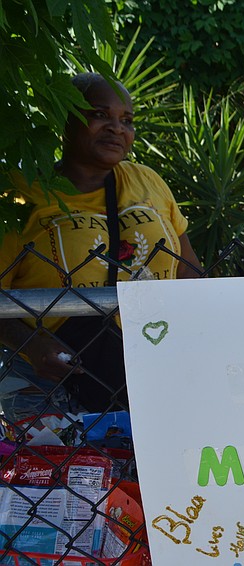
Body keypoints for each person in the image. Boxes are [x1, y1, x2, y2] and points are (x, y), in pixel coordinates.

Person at [0, 72, 201, 423]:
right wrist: (31, 346)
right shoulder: (22, 194)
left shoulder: (147, 180)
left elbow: (187, 268)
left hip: (152, 363)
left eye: (127, 120)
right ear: (65, 117)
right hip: (53, 376)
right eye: (99, 114)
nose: (116, 128)